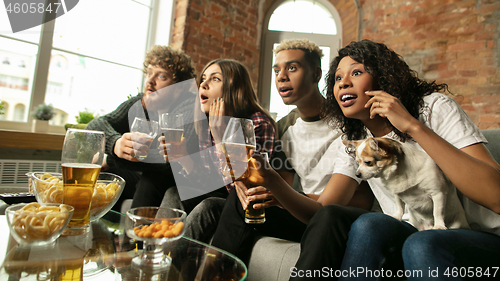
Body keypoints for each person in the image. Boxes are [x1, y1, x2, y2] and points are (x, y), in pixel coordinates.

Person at [248, 39, 500, 280]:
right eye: (337, 78)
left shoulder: (432, 108)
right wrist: (271, 179)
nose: (343, 83)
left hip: (480, 235)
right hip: (414, 228)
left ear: (383, 77)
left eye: (355, 73)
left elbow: (495, 196)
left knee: (422, 245)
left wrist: (412, 127)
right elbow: (324, 210)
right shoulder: (355, 138)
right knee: (369, 224)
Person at [208, 39, 374, 264]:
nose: (281, 76)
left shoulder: (351, 121)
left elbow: (361, 201)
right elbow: (277, 189)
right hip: (301, 212)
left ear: (316, 74)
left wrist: (283, 196)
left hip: (332, 219)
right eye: (277, 70)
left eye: (292, 68)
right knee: (228, 205)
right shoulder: (283, 127)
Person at [162, 59, 277, 238]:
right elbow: (208, 182)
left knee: (208, 207)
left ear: (235, 89)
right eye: (203, 79)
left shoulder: (257, 124)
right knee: (174, 192)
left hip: (243, 204)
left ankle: (173, 264)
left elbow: (243, 189)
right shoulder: (207, 122)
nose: (204, 85)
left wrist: (220, 138)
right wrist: (185, 159)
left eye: (215, 79)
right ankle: (154, 251)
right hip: (222, 195)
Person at [86, 45, 197, 211]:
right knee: (97, 173)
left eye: (161, 76)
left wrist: (111, 159)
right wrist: (115, 144)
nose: (150, 81)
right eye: (149, 73)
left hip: (175, 181)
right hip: (141, 173)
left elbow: (168, 161)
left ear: (178, 87)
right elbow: (94, 126)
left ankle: (136, 236)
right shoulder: (142, 102)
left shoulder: (190, 106)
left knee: (152, 177)